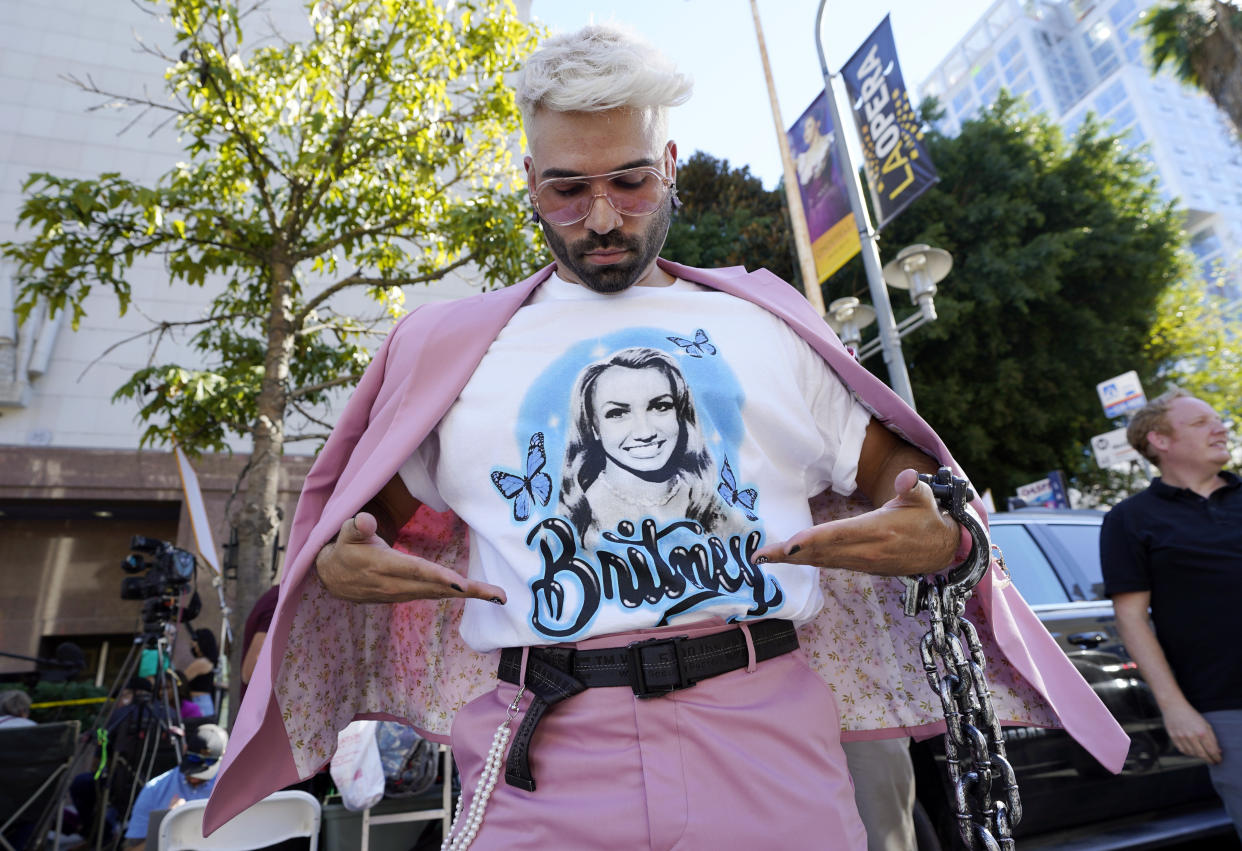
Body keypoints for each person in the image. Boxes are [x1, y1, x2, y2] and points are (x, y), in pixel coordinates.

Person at [205, 23, 1129, 847]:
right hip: (539, 748)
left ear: (671, 164)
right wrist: (340, 565)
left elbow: (897, 468)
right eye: (567, 189)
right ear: (528, 181)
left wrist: (937, 527)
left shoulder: (764, 323)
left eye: (630, 180)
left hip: (766, 732)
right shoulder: (450, 348)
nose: (601, 216)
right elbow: (376, 518)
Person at [1101, 387, 1242, 835]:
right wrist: (1175, 707)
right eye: (1201, 422)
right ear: (1160, 441)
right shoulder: (1129, 519)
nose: (1220, 427)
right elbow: (1131, 618)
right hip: (1225, 706)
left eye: (1217, 419)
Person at [558, 346, 743, 548]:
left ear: (680, 414)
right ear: (593, 426)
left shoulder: (714, 508)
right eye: (617, 413)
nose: (645, 433)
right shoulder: (576, 519)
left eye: (660, 407)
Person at [124, 724, 227, 850]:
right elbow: (131, 849)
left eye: (208, 764)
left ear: (224, 757)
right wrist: (168, 823)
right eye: (192, 759)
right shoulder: (154, 789)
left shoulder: (234, 790)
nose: (195, 776)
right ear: (184, 750)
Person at [183, 627, 218, 716]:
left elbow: (181, 679)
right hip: (203, 703)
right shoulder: (208, 662)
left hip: (198, 703)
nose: (193, 644)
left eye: (195, 641)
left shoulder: (201, 663)